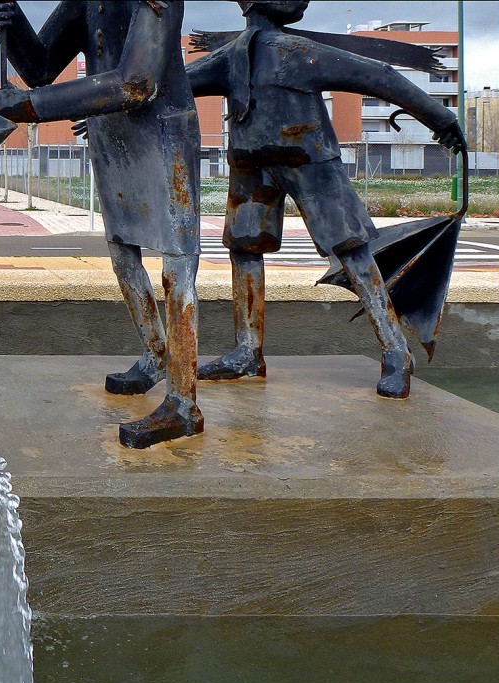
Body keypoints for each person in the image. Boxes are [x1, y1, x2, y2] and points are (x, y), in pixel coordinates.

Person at [187, 0, 465, 398]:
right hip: (251, 164)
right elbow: (169, 86)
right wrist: (114, 105)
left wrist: (441, 118)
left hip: (311, 163)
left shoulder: (299, 52)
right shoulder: (231, 57)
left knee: (352, 250)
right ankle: (247, 350)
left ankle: (396, 352)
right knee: (244, 249)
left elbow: (378, 77)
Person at [0, 0, 202, 448]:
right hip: (113, 134)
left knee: (176, 266)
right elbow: (41, 66)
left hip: (161, 131)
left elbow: (137, 83)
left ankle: (184, 403)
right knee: (122, 254)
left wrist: (31, 106)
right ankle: (155, 354)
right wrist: (12, 24)